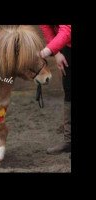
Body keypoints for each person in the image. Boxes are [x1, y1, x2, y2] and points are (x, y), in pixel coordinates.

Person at [39, 25, 71, 155]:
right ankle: (69, 141)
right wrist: (57, 52)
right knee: (69, 91)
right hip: (66, 46)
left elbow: (67, 29)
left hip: (67, 36)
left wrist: (45, 52)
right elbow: (46, 28)